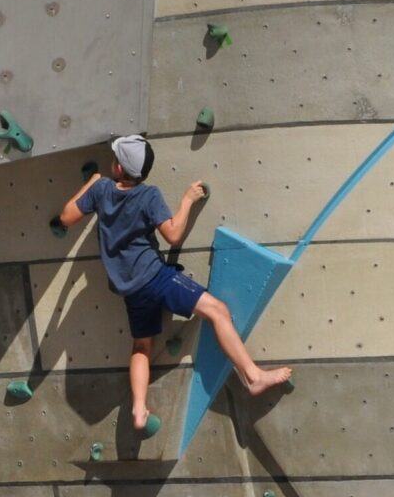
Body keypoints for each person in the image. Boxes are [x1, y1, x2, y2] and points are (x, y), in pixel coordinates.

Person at [53, 134, 289, 435]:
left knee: (141, 345)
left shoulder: (101, 191)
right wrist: (187, 200)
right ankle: (253, 376)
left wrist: (92, 182)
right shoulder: (148, 195)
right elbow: (173, 235)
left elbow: (66, 216)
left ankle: (139, 408)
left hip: (130, 289)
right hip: (155, 277)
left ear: (119, 168)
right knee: (218, 310)